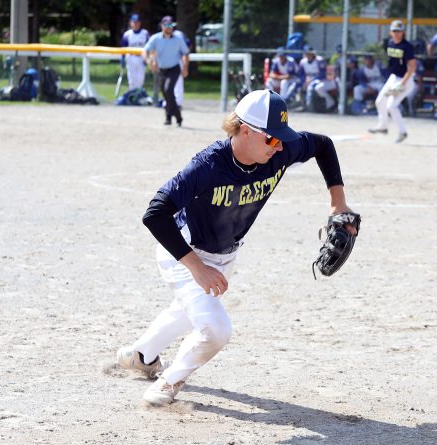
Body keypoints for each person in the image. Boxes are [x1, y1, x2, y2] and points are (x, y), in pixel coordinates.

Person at [116, 89, 358, 406]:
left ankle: (141, 355)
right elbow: (155, 213)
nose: (281, 146)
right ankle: (168, 382)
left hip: (224, 254)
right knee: (215, 329)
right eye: (272, 139)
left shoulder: (279, 152)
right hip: (184, 251)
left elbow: (322, 145)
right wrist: (197, 268)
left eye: (282, 138)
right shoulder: (208, 166)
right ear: (245, 130)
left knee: (190, 311)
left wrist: (337, 205)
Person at [368, 20, 417, 143]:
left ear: (403, 32)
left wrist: (402, 84)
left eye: (399, 31)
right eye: (394, 31)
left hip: (406, 79)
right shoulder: (390, 43)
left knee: (391, 106)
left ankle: (403, 132)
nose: (397, 33)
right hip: (394, 77)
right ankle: (383, 127)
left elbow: (412, 67)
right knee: (380, 101)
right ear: (390, 32)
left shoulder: (407, 46)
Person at [143, 16, 189, 127]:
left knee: (168, 90)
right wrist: (150, 61)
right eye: (167, 25)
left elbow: (185, 53)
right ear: (162, 26)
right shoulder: (156, 38)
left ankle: (172, 116)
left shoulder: (178, 39)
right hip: (162, 69)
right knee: (166, 93)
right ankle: (174, 117)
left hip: (174, 68)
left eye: (171, 25)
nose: (169, 27)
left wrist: (185, 68)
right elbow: (145, 51)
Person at [120, 13, 150, 90]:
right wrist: (122, 58)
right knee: (132, 79)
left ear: (140, 23)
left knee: (140, 79)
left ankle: (139, 95)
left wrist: (147, 58)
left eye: (137, 22)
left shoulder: (145, 33)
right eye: (134, 22)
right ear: (131, 23)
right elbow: (123, 47)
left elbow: (149, 47)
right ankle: (132, 95)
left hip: (141, 58)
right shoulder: (127, 34)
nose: (136, 24)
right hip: (131, 58)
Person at [298, 46, 327, 110]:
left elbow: (323, 74)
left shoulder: (319, 60)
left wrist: (311, 80)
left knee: (311, 87)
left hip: (319, 79)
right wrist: (304, 81)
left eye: (310, 53)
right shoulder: (302, 62)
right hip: (308, 79)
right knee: (299, 86)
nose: (308, 55)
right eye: (307, 53)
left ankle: (309, 106)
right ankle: (302, 105)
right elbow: (301, 74)